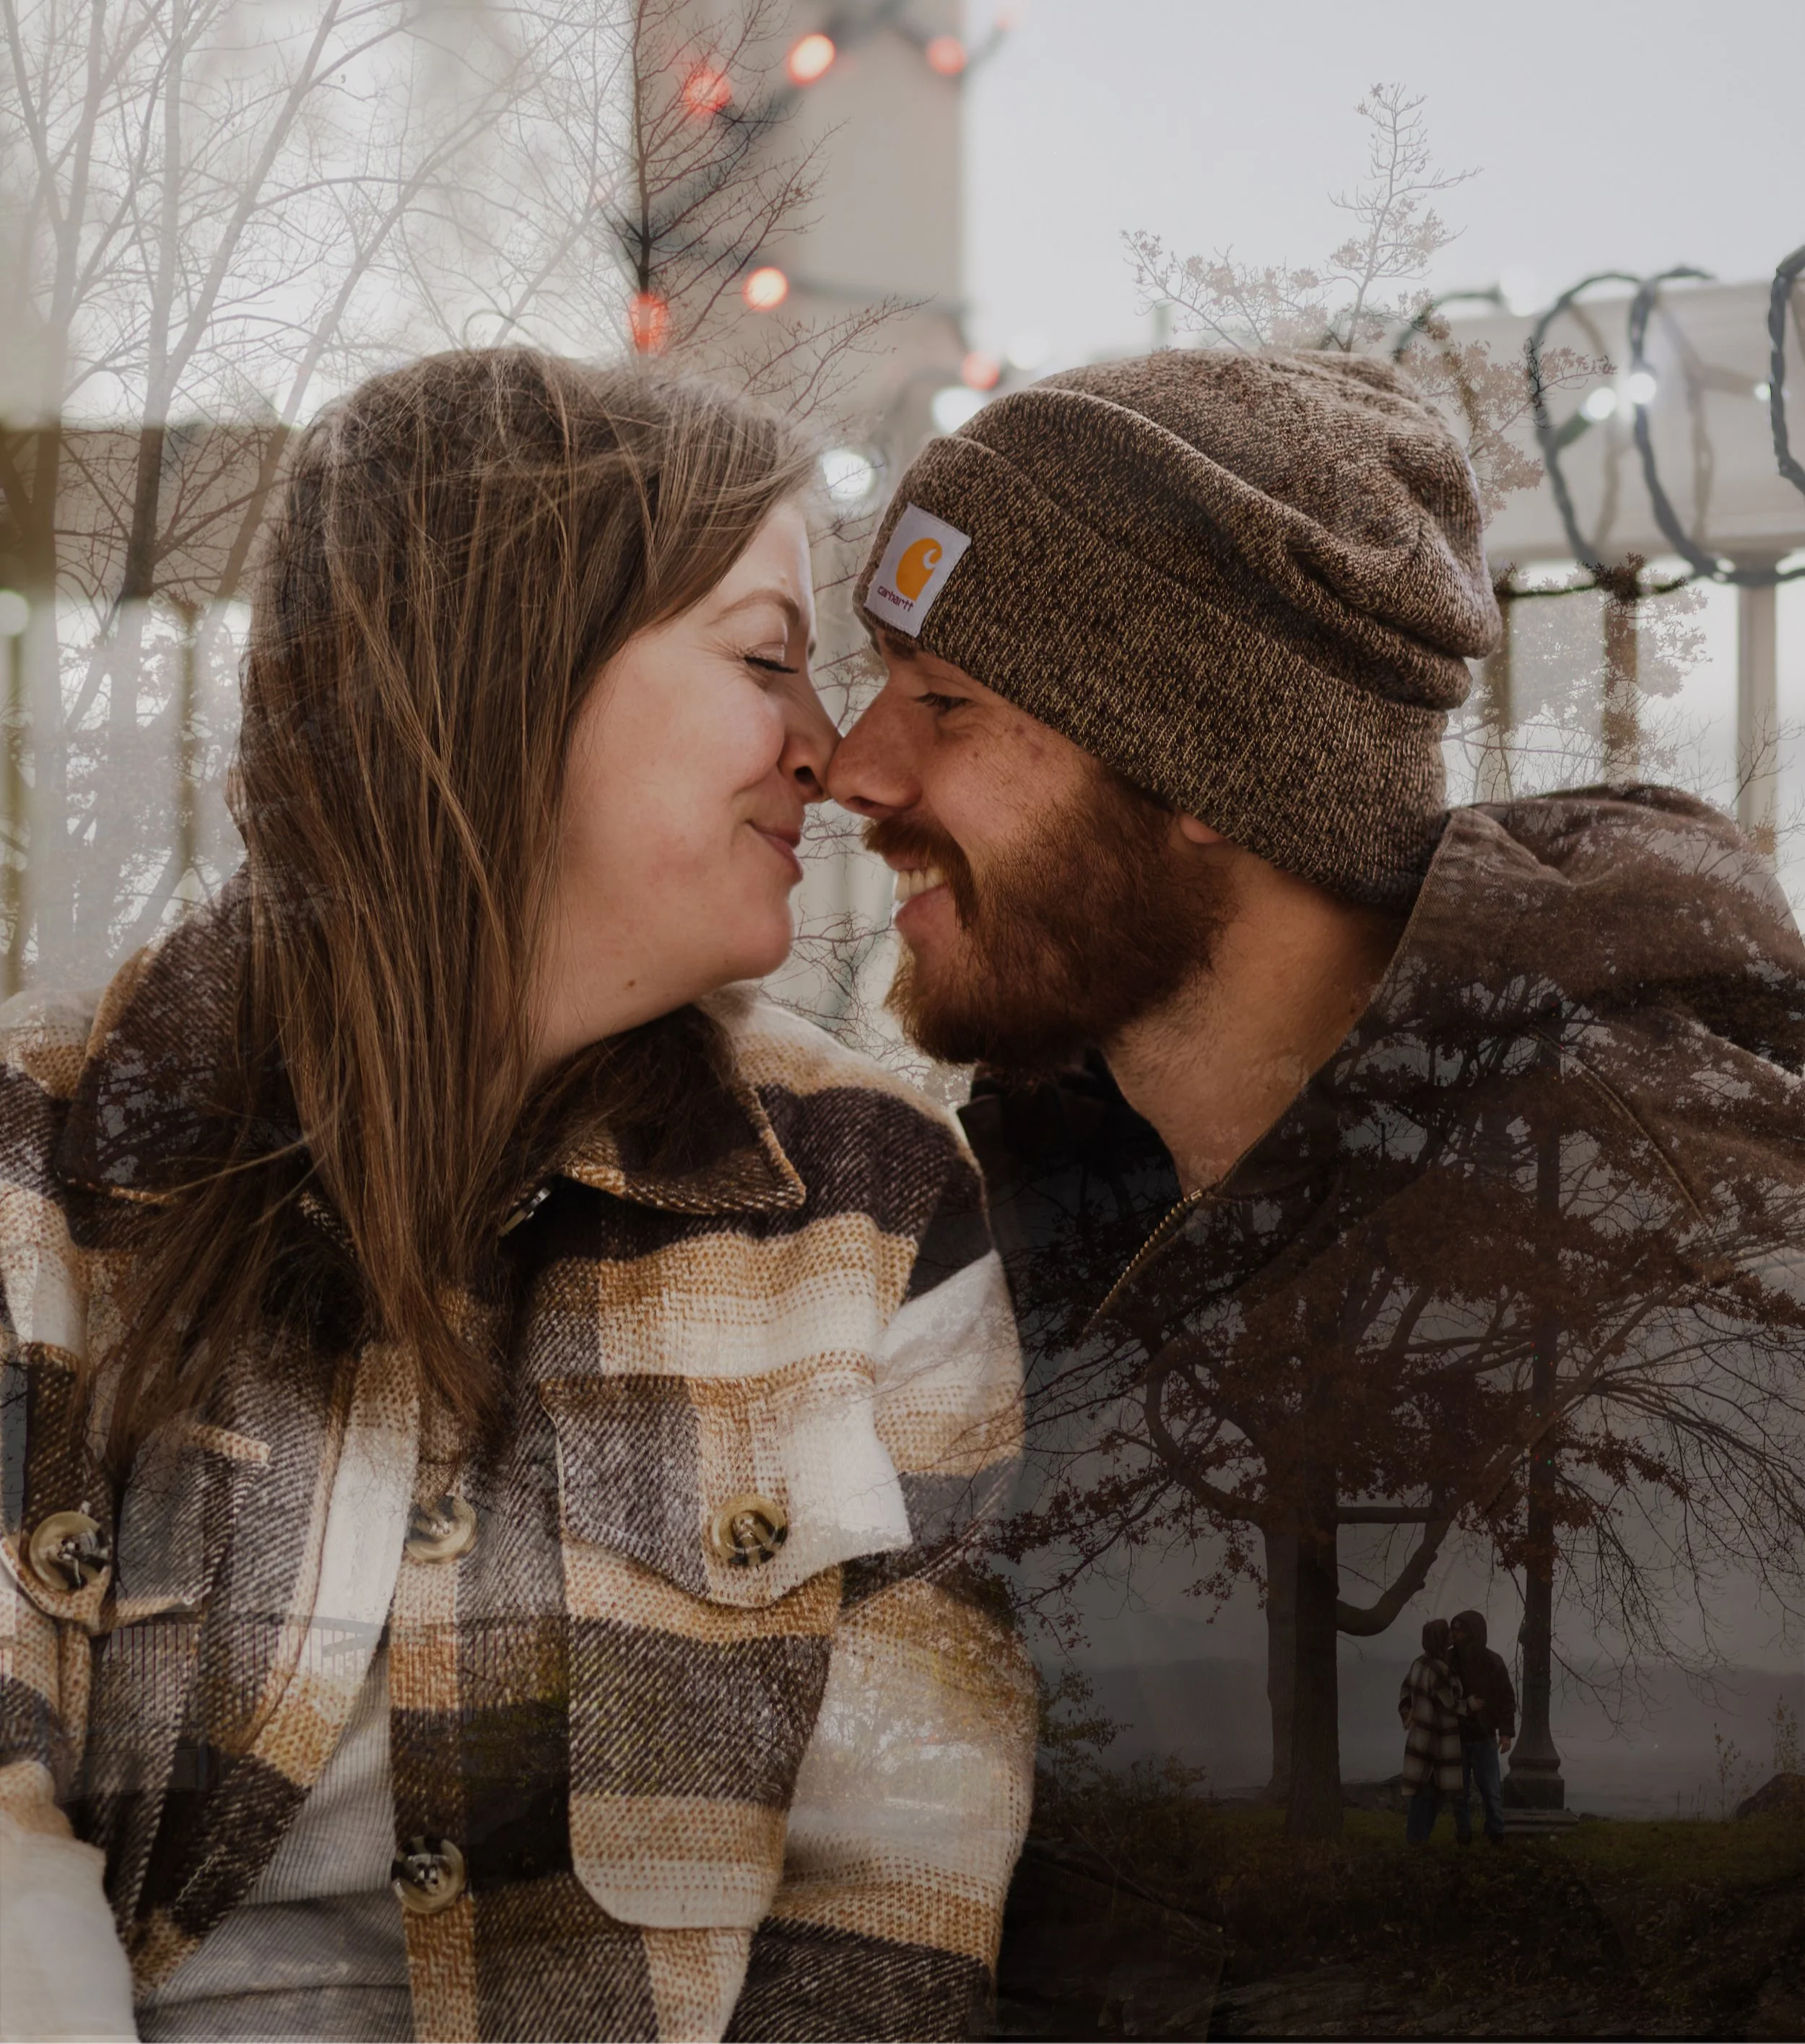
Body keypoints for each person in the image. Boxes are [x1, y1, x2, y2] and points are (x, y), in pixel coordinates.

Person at [0, 349, 1033, 2044]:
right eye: (770, 658)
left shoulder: (869, 1199)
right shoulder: (33, 1153)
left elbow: (895, 1898)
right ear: (505, 671)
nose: (828, 750)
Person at [825, 347, 1805, 1819]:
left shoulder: (1707, 1265)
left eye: (944, 702)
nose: (854, 769)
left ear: (1201, 770)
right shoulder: (990, 1255)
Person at [1449, 1609, 1516, 1845]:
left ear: (1472, 1634)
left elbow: (1506, 1699)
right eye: (1454, 1630)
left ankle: (1496, 1832)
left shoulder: (1493, 1662)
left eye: (1460, 1631)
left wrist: (1506, 1732)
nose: (1455, 1635)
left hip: (1485, 1735)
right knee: (1459, 1791)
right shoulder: (1449, 1661)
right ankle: (1464, 1834)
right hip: (1455, 1737)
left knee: (1490, 1790)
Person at [1398, 1620, 1464, 1845]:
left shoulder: (1419, 1663)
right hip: (1437, 1738)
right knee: (1430, 1793)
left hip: (1419, 1734)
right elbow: (1450, 1702)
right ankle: (1417, 1840)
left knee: (1422, 1790)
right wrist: (1470, 1705)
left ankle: (1417, 1840)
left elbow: (1405, 1690)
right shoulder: (1439, 1669)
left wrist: (1408, 1713)